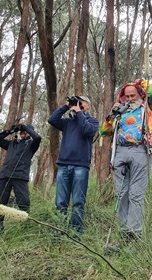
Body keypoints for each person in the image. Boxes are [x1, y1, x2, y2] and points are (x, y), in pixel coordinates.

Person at [100, 79, 152, 241]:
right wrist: (111, 115)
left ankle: (135, 233)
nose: (130, 98)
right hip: (120, 151)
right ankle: (124, 231)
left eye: (133, 95)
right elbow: (103, 132)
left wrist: (140, 82)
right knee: (122, 193)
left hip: (140, 150)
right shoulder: (120, 111)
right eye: (127, 96)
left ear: (139, 95)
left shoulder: (146, 108)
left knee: (136, 193)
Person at [48, 95, 99, 235]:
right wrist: (66, 106)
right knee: (60, 202)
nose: (77, 105)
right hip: (64, 165)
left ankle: (76, 232)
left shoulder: (92, 121)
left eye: (80, 103)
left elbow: (86, 130)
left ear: (87, 106)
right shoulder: (67, 123)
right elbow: (51, 120)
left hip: (81, 166)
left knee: (77, 202)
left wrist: (79, 113)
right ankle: (59, 230)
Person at [0, 123, 41, 232]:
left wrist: (27, 128)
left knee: (24, 202)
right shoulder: (11, 144)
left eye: (26, 132)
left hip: (20, 176)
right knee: (0, 203)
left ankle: (26, 227)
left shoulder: (32, 144)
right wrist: (9, 131)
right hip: (5, 175)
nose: (23, 134)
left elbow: (37, 137)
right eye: (22, 132)